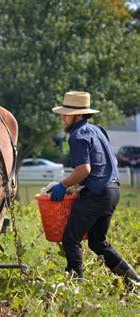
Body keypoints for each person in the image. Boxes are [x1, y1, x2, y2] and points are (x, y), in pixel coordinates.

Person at [49, 91, 139, 286]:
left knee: (70, 239)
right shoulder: (98, 130)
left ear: (78, 115)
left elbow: (84, 169)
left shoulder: (77, 135)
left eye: (66, 113)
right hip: (113, 191)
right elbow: (111, 160)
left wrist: (63, 185)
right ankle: (134, 280)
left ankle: (76, 286)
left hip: (97, 195)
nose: (63, 117)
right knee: (97, 242)